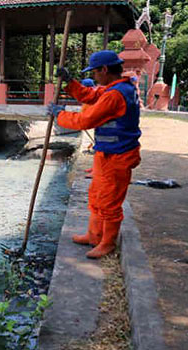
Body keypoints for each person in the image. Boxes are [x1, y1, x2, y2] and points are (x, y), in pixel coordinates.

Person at [47, 50, 141, 259]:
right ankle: (93, 235)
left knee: (110, 202)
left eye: (95, 72)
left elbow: (84, 121)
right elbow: (89, 95)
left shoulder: (115, 95)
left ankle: (107, 243)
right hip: (107, 155)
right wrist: (70, 82)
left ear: (104, 70)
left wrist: (60, 115)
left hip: (118, 157)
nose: (94, 77)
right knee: (97, 196)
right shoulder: (114, 88)